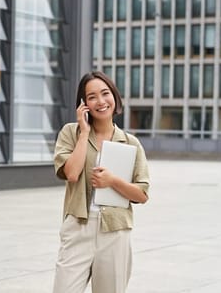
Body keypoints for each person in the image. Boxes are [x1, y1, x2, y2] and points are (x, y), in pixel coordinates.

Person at [52, 71, 150, 293]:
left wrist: (112, 180)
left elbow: (142, 194)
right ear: (84, 103)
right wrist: (84, 133)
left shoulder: (130, 143)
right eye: (92, 96)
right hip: (78, 227)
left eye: (105, 93)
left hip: (115, 232)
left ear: (114, 97)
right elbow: (72, 174)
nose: (100, 101)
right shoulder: (71, 133)